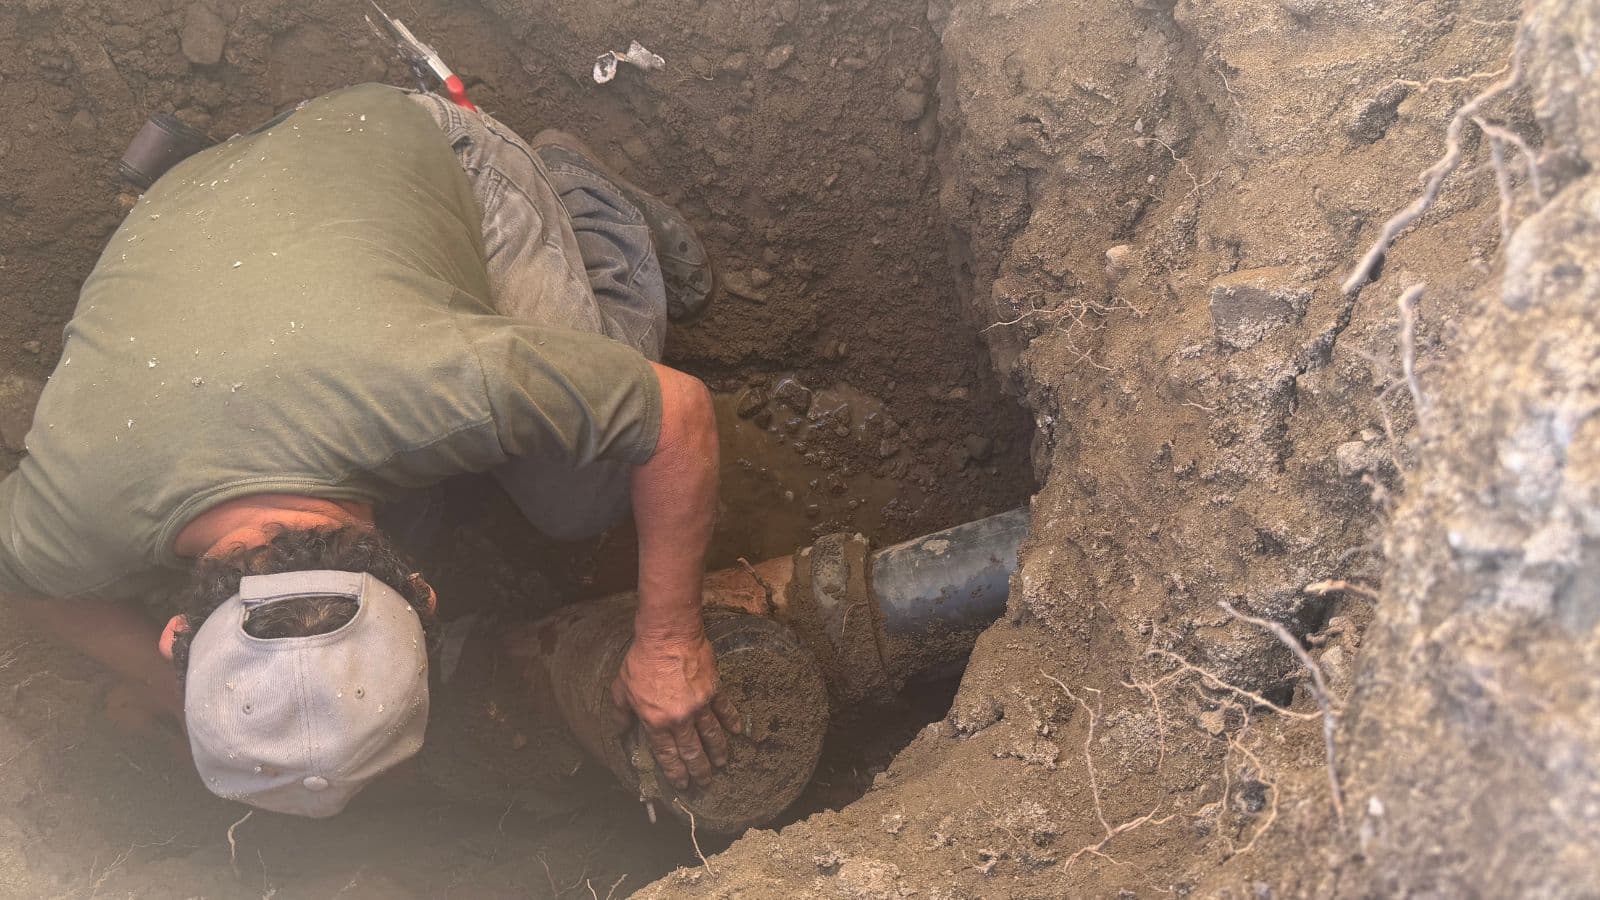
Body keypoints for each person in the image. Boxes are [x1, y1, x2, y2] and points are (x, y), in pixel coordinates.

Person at [0, 82, 743, 817]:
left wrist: (670, 640)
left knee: (578, 497)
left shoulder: (447, 382)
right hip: (197, 192)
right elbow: (19, 580)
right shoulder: (71, 513)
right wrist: (181, 694)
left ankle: (589, 205)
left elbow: (676, 414)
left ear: (426, 591)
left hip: (410, 143)